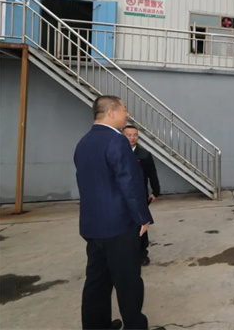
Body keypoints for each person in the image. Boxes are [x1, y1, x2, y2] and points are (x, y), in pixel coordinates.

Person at [74, 96, 154, 330]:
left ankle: (96, 326)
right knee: (128, 282)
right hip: (119, 226)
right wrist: (142, 217)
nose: (126, 115)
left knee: (97, 281)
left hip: (93, 226)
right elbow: (129, 182)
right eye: (123, 110)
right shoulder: (117, 141)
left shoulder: (84, 142)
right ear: (111, 112)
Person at [122, 125, 161, 267]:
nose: (132, 138)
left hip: (140, 195)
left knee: (141, 223)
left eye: (135, 135)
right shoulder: (117, 154)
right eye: (129, 135)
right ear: (122, 136)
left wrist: (155, 191)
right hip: (121, 196)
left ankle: (142, 253)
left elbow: (152, 174)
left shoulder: (144, 155)